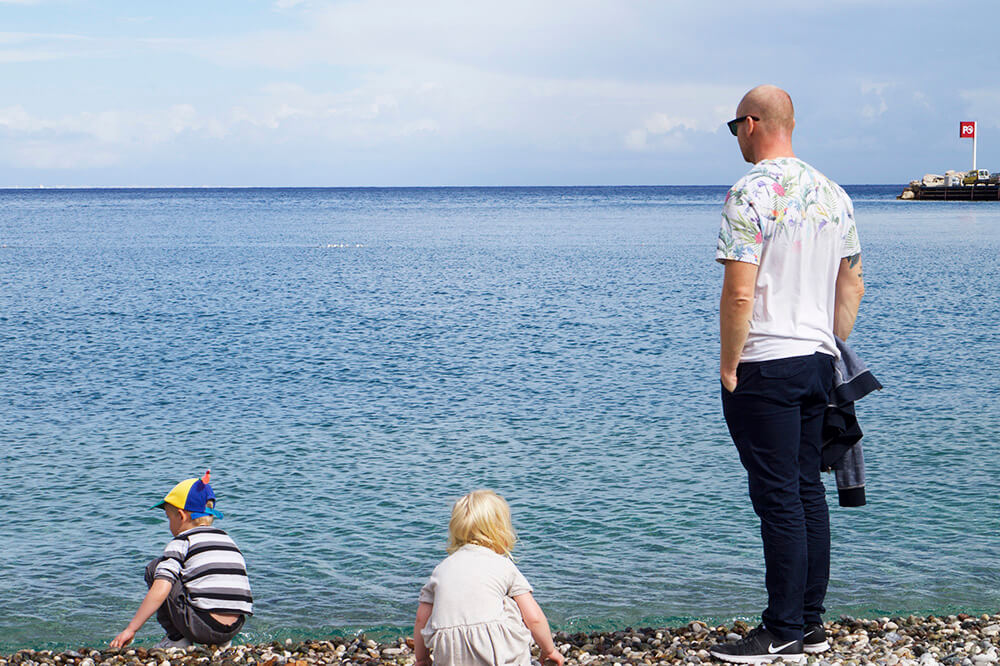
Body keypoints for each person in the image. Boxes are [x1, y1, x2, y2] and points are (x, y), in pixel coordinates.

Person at [710, 85, 865, 664]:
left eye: (734, 128)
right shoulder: (834, 193)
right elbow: (851, 284)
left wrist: (730, 363)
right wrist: (829, 341)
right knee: (806, 493)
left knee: (778, 499)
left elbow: (739, 291)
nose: (736, 139)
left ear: (752, 123)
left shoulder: (749, 192)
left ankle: (781, 631)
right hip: (817, 361)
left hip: (766, 363)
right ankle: (809, 624)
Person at [413, 490, 564, 666]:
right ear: (501, 531)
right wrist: (549, 650)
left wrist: (422, 659)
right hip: (497, 652)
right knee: (510, 602)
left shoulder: (441, 569)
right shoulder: (503, 565)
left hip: (450, 654)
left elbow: (421, 619)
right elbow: (534, 617)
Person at [111, 471, 253, 649]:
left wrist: (131, 629)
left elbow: (161, 588)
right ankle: (222, 643)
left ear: (181, 515)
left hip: (202, 627)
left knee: (156, 569)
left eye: (169, 518)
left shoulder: (182, 541)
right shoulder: (227, 539)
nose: (169, 524)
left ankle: (177, 639)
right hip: (234, 627)